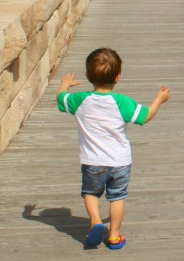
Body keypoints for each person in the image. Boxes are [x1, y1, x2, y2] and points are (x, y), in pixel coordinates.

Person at [56, 47, 171, 250]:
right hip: (119, 162)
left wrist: (65, 85)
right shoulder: (122, 103)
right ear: (118, 77)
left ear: (87, 75)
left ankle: (96, 221)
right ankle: (114, 236)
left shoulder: (79, 99)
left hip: (92, 162)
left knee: (90, 193)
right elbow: (145, 117)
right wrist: (158, 100)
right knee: (117, 197)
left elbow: (61, 99)